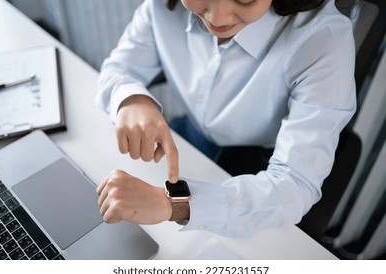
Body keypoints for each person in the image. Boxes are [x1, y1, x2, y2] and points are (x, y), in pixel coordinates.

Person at [95, 0, 356, 238]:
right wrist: (133, 100)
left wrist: (172, 204)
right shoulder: (161, 6)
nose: (217, 18)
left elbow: (295, 184)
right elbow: (118, 69)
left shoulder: (324, 41)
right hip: (186, 140)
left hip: (258, 176)